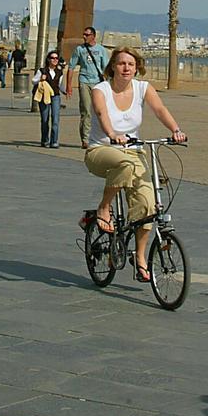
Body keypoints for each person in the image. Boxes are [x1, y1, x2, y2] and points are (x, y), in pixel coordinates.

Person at [84, 46, 186, 281]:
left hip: (133, 151)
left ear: (137, 67)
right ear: (113, 66)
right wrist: (112, 134)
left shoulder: (143, 88)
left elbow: (159, 109)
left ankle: (140, 258)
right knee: (126, 165)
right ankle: (104, 207)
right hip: (101, 150)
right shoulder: (101, 90)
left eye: (131, 64)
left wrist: (176, 130)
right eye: (121, 63)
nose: (126, 68)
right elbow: (101, 113)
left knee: (149, 205)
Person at [67, 27, 110, 150]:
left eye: (87, 35)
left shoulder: (101, 50)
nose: (84, 37)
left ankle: (99, 137)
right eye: (84, 34)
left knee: (99, 111)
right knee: (86, 111)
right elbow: (71, 67)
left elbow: (106, 68)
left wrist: (108, 85)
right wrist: (69, 85)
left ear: (93, 36)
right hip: (84, 81)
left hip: (97, 83)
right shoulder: (79, 49)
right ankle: (85, 139)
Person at [32, 50, 65, 148]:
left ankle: (54, 141)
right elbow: (33, 81)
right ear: (48, 59)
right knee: (45, 119)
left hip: (55, 96)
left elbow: (60, 85)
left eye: (56, 58)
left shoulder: (59, 72)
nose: (55, 60)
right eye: (52, 58)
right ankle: (45, 140)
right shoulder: (42, 71)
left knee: (55, 119)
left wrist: (65, 91)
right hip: (44, 96)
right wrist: (40, 79)